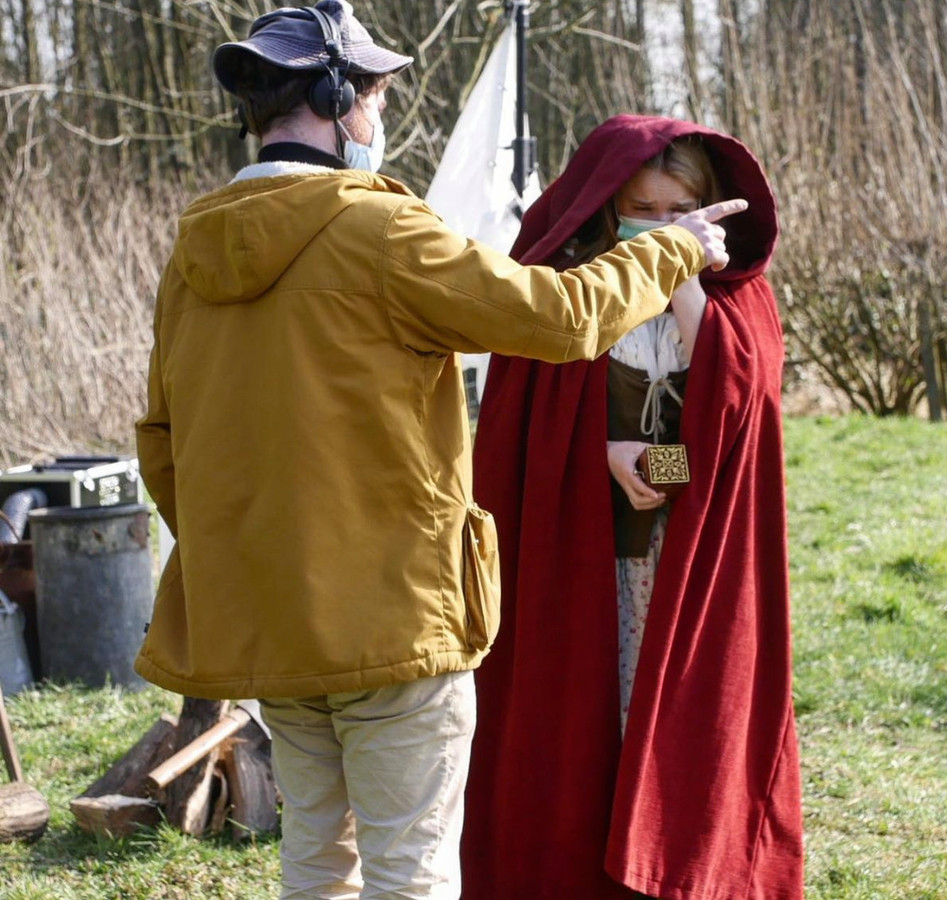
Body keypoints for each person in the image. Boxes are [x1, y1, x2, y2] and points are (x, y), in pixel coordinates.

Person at [133, 5, 746, 898]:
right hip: (393, 620)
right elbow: (558, 318)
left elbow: (162, 443)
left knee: (314, 855)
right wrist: (668, 252)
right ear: (340, 101)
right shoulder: (382, 231)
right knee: (408, 869)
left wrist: (252, 558)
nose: (378, 122)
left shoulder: (194, 251)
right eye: (375, 99)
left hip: (271, 616)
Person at [463, 115, 803, 900]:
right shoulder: (559, 294)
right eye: (641, 211)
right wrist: (602, 459)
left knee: (679, 731)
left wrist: (678, 272)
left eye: (677, 209)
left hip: (684, 563)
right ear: (605, 206)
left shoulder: (738, 305)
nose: (658, 225)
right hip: (578, 559)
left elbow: (734, 426)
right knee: (583, 728)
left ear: (710, 207)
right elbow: (518, 446)